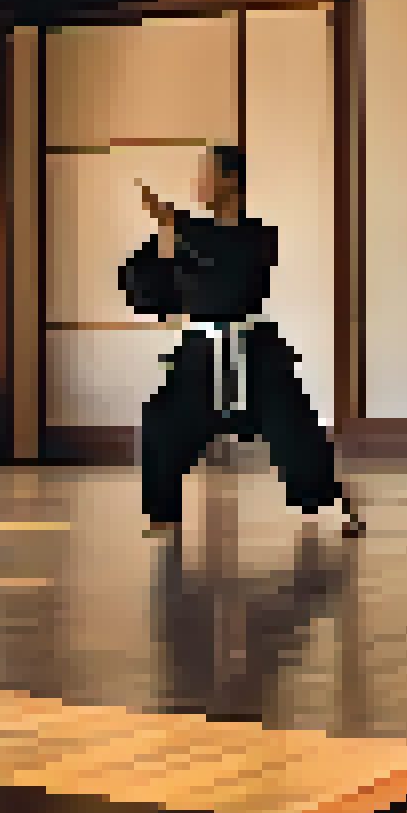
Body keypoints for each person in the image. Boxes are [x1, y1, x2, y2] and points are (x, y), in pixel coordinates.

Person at [121, 145, 364, 537]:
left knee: (292, 426)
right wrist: (163, 258)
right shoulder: (182, 235)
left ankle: (326, 502)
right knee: (163, 421)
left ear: (230, 180)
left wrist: (175, 227)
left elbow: (231, 265)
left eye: (206, 173)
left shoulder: (258, 237)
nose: (197, 182)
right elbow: (150, 295)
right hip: (199, 352)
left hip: (254, 348)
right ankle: (163, 512)